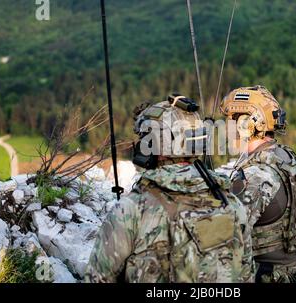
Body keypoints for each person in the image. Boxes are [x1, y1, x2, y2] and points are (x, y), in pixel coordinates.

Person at [85, 94, 254, 283]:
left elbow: (97, 278)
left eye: (145, 137)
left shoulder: (132, 210)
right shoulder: (231, 203)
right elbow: (246, 276)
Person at [220, 85, 296, 283]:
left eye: (229, 122)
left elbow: (225, 240)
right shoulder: (287, 158)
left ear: (247, 124)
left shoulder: (255, 177)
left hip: (269, 275)